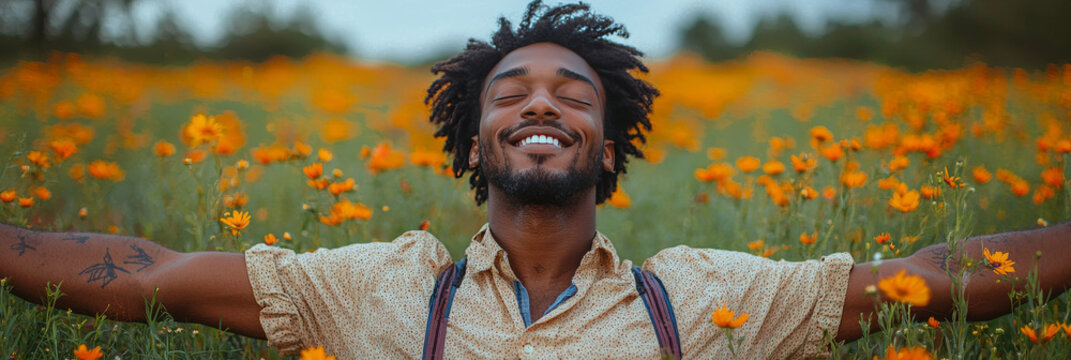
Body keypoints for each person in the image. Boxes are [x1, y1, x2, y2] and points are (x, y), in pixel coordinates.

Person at [2, 1, 1070, 359]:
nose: (541, 103)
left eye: (574, 92)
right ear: (474, 145)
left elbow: (932, 274)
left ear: (609, 148)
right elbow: (151, 271)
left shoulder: (700, 300)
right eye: (509, 92)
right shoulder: (378, 289)